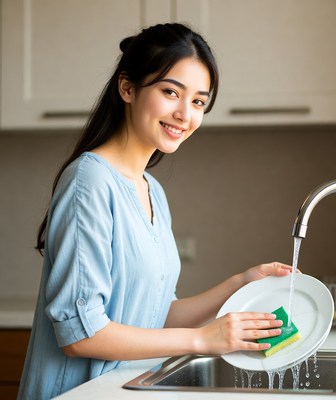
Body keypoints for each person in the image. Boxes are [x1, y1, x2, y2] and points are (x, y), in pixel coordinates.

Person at [18, 23, 293, 399]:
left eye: (198, 101)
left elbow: (155, 314)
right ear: (127, 88)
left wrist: (240, 282)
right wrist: (202, 339)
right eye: (170, 92)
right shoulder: (89, 181)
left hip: (120, 389)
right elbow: (81, 335)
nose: (185, 114)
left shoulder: (152, 191)